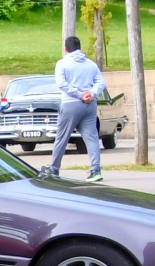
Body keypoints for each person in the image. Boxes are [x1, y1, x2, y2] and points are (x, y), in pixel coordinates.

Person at [44, 34, 107, 182]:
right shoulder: (91, 64)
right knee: (92, 138)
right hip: (89, 104)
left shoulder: (62, 64)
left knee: (62, 137)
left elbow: (62, 84)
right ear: (80, 47)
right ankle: (95, 170)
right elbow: (101, 82)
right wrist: (90, 93)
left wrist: (79, 94)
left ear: (66, 49)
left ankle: (54, 169)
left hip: (70, 103)